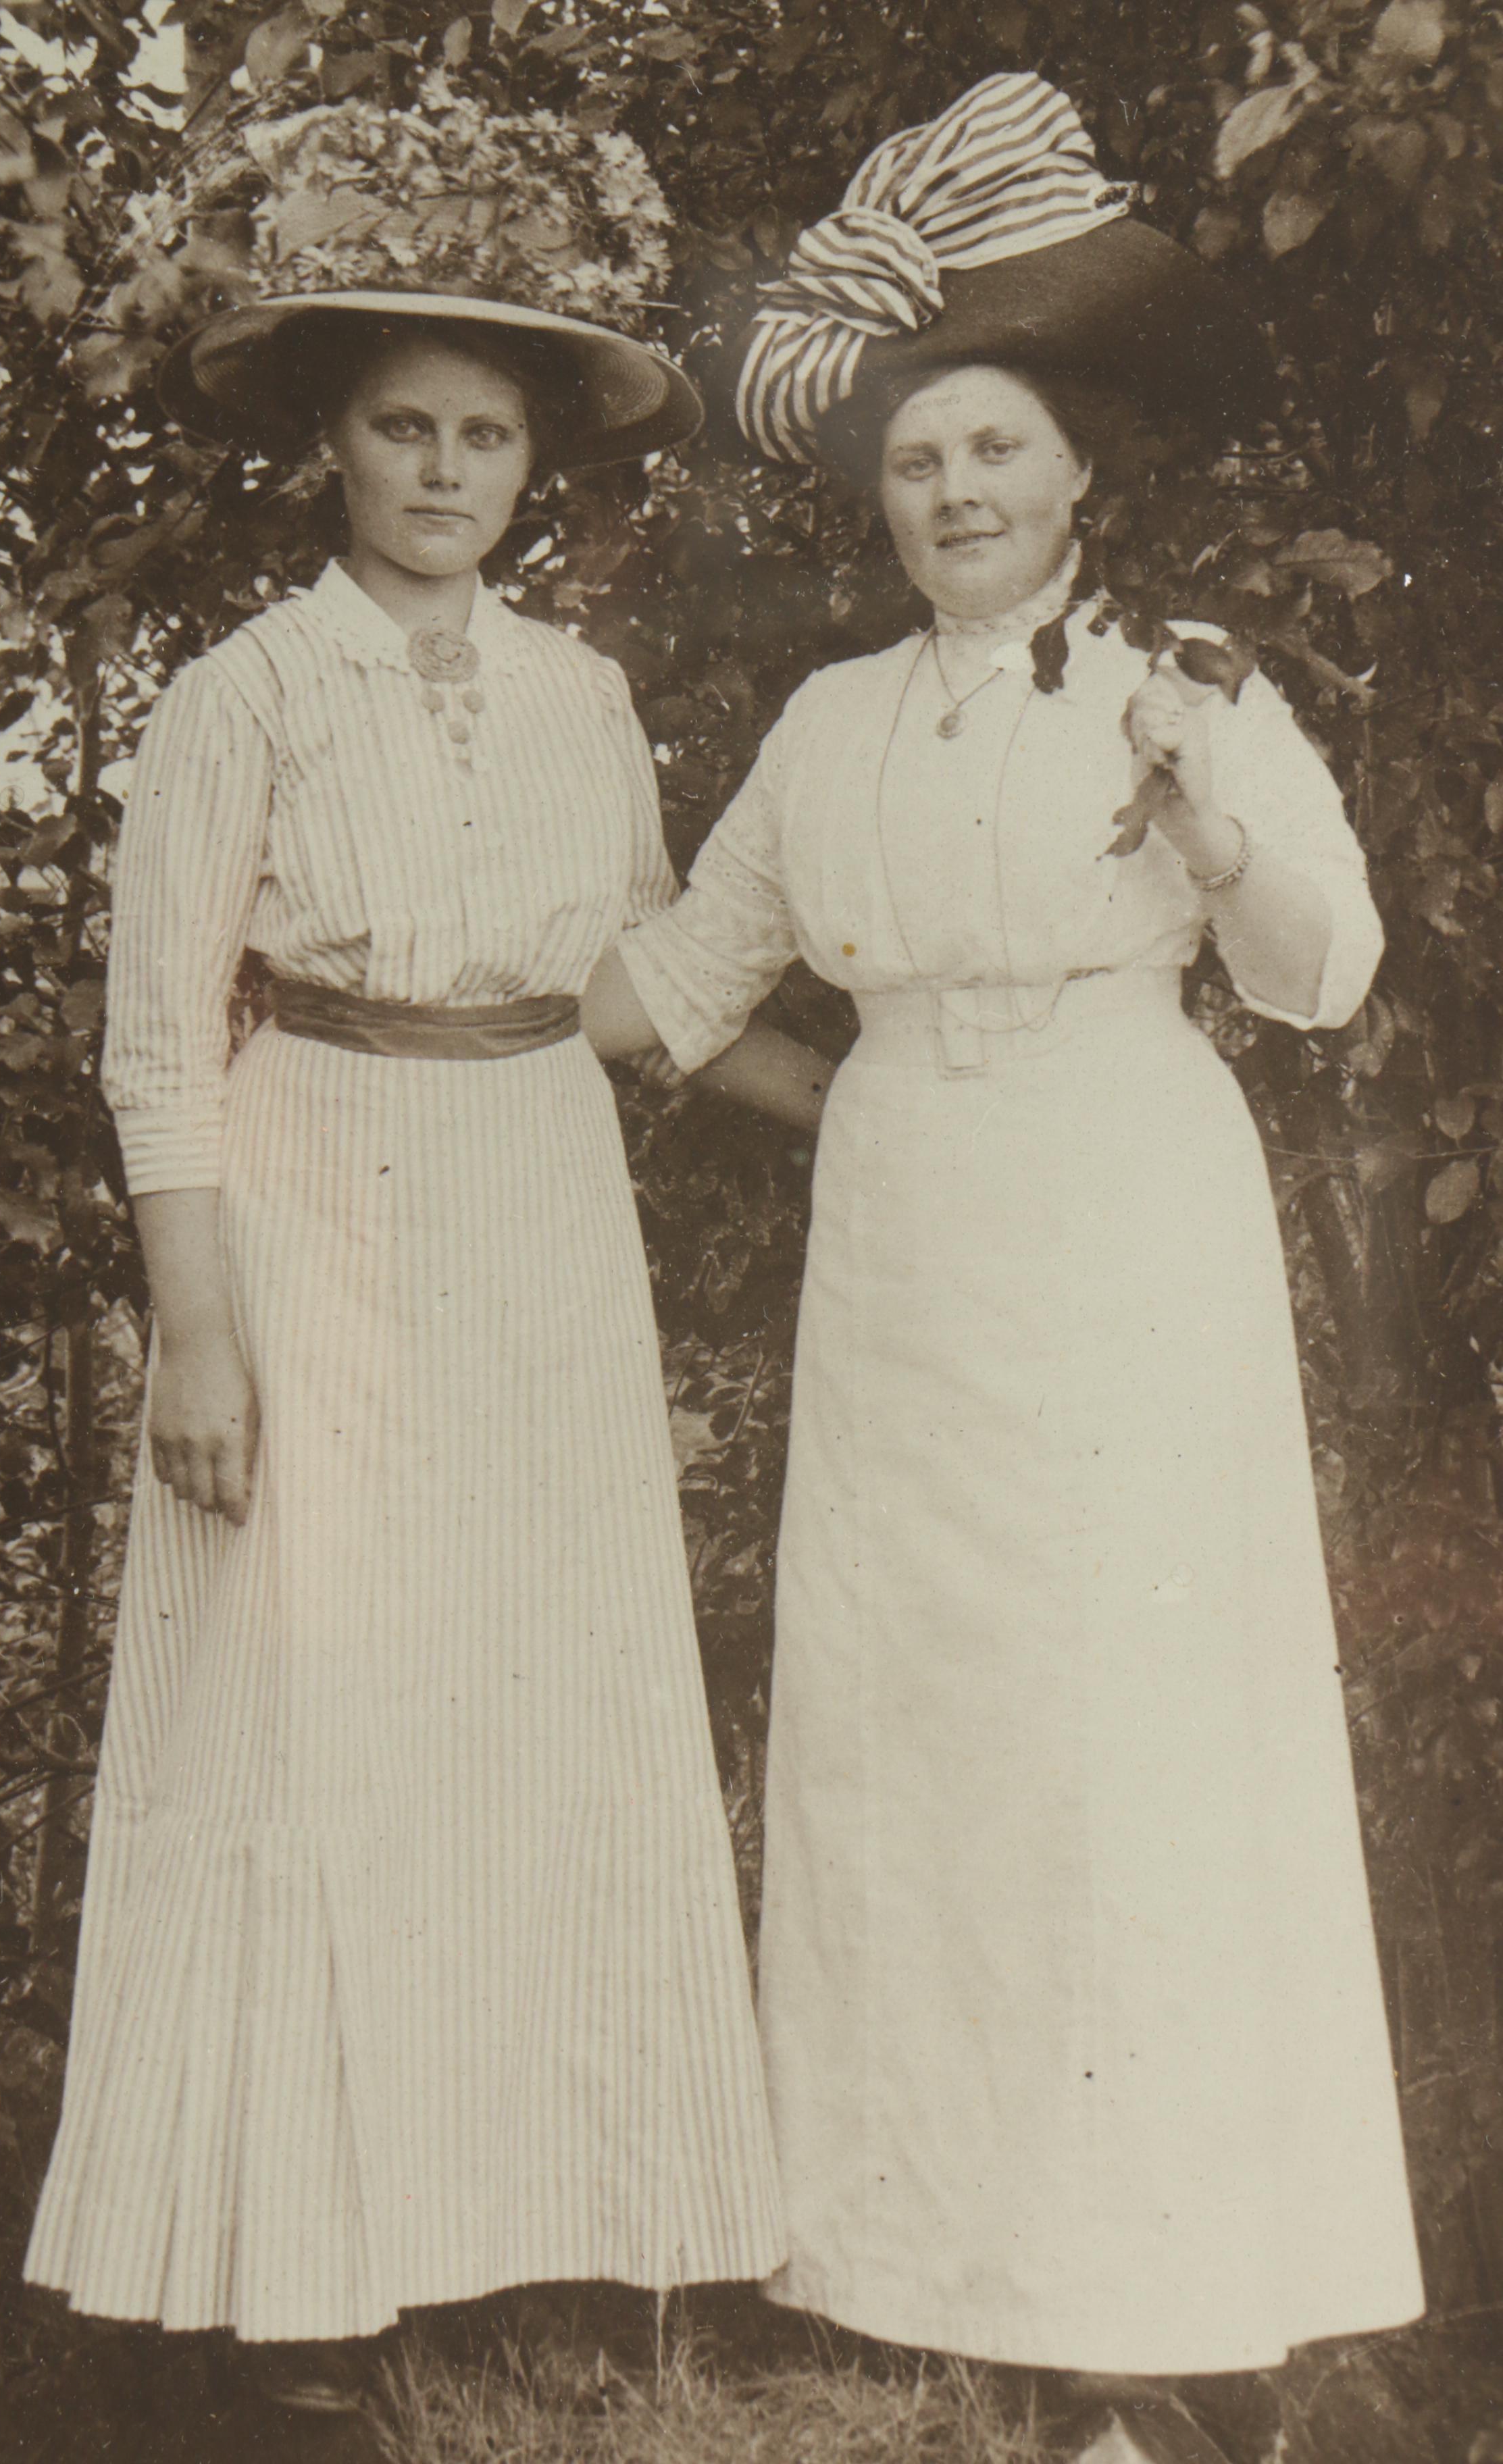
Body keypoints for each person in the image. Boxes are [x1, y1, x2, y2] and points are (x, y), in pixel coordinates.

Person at [586, 71, 1424, 2464]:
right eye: (919, 465)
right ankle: (943, 2274)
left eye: (998, 456)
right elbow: (671, 990)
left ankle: (1173, 2337)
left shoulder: (1192, 677)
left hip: (1126, 1225)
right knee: (924, 1752)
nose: (958, 498)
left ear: (1077, 470)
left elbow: (1322, 978)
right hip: (910, 1263)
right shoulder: (832, 724)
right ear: (883, 497)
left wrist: (1210, 797)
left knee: (1132, 1752)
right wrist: (381, 989)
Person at [24, 92, 819, 2401]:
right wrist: (199, 1327)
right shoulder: (241, 699)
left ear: (530, 465)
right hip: (317, 1192)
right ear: (338, 449)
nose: (448, 466)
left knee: (541, 1704)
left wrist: (888, 1114)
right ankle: (299, 2265)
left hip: (540, 1198)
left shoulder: (584, 700)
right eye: (405, 425)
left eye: (486, 431)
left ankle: (546, 2239)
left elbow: (646, 982)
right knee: (328, 1699)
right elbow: (160, 1042)